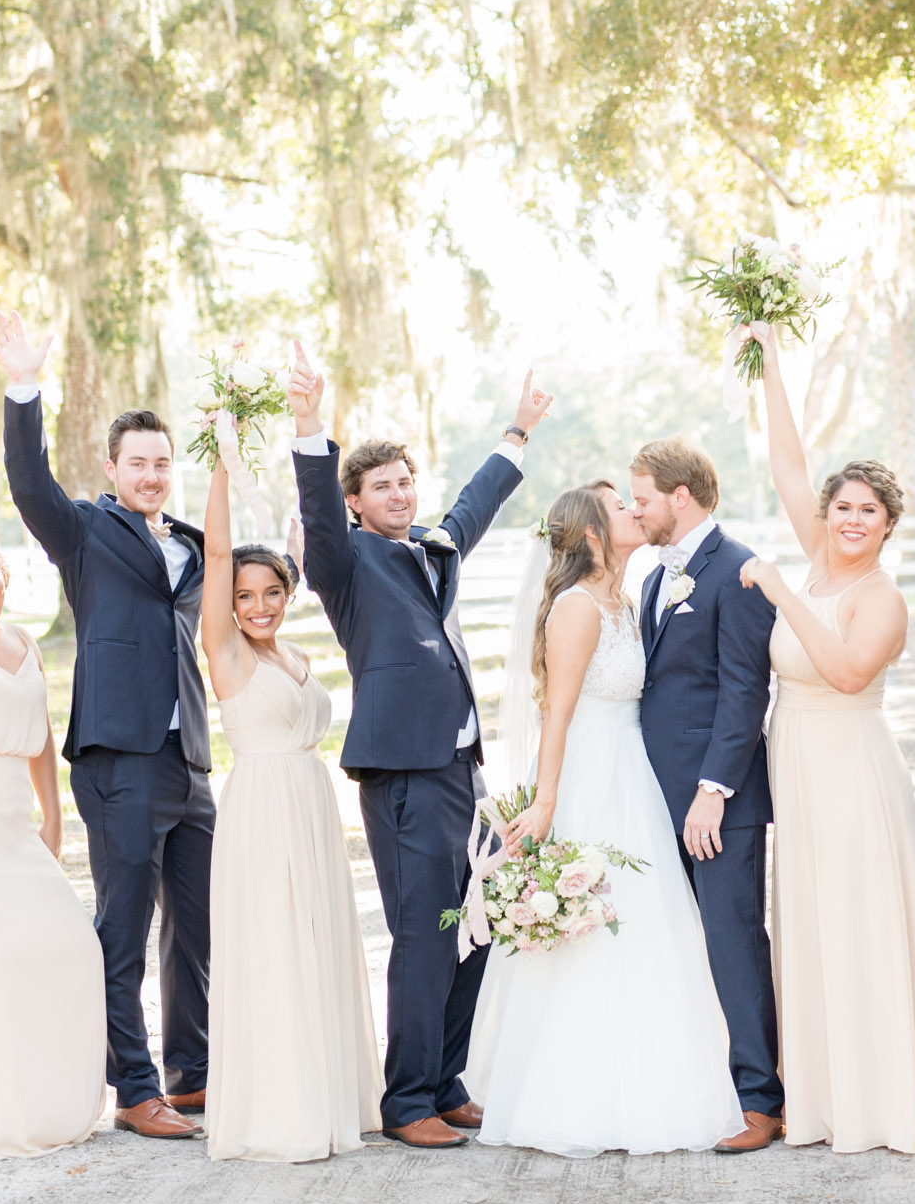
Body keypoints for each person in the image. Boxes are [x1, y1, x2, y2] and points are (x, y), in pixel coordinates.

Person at [287, 341, 550, 1149]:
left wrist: (517, 431)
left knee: (473, 922)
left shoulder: (434, 548)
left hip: (461, 765)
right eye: (381, 487)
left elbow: (474, 504)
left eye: (405, 481)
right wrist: (309, 424)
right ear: (356, 504)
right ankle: (406, 1104)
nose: (398, 494)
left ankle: (446, 1080)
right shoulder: (344, 560)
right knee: (425, 929)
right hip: (402, 768)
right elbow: (319, 515)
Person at [736, 325, 915, 1154]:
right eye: (840, 508)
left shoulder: (880, 599)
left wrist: (774, 588)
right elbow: (787, 465)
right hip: (793, 762)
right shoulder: (811, 559)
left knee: (860, 919)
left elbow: (840, 672)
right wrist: (767, 363)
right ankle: (824, 1095)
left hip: (850, 766)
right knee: (809, 920)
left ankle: (881, 1098)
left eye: (866, 512)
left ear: (885, 527)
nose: (849, 520)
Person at [467, 483, 743, 1155]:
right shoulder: (577, 607)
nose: (635, 512)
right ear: (592, 534)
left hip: (632, 771)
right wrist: (547, 802)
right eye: (621, 508)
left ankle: (650, 1084)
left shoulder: (628, 596)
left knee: (645, 927)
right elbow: (556, 713)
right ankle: (570, 1097)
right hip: (588, 776)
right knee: (588, 927)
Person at [0, 309, 211, 1141]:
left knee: (198, 925)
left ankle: (192, 1074)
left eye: (162, 463)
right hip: (119, 759)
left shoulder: (191, 544)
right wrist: (23, 385)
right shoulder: (84, 532)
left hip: (191, 758)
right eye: (138, 464)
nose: (152, 475)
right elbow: (27, 480)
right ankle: (134, 1087)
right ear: (113, 469)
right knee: (124, 928)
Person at [198, 456, 382, 1161]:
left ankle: (333, 1092)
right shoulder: (228, 654)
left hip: (310, 807)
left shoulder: (296, 652)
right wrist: (220, 459)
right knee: (274, 948)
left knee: (318, 941)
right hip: (263, 814)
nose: (258, 605)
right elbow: (218, 552)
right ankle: (283, 1109)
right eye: (245, 596)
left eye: (271, 591)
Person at [630, 434, 783, 1152]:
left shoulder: (736, 571)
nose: (636, 513)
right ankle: (707, 1082)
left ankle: (759, 1098)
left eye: (642, 499)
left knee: (731, 941)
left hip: (716, 803)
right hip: (655, 795)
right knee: (680, 946)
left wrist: (713, 790)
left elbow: (743, 690)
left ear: (678, 496)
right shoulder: (659, 575)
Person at [0, 524, 106, 1158]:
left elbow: (43, 734)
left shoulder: (25, 642)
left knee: (74, 947)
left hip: (18, 827)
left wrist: (53, 817)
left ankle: (54, 1097)